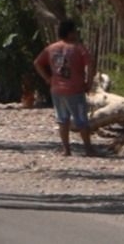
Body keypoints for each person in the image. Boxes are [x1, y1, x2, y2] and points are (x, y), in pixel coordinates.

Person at [33, 19, 97, 157]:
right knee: (81, 119)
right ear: (70, 33)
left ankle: (66, 149)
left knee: (62, 120)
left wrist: (47, 78)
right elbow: (90, 64)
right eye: (74, 31)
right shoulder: (78, 47)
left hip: (57, 89)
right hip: (75, 89)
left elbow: (37, 63)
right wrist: (89, 82)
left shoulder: (51, 48)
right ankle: (88, 149)